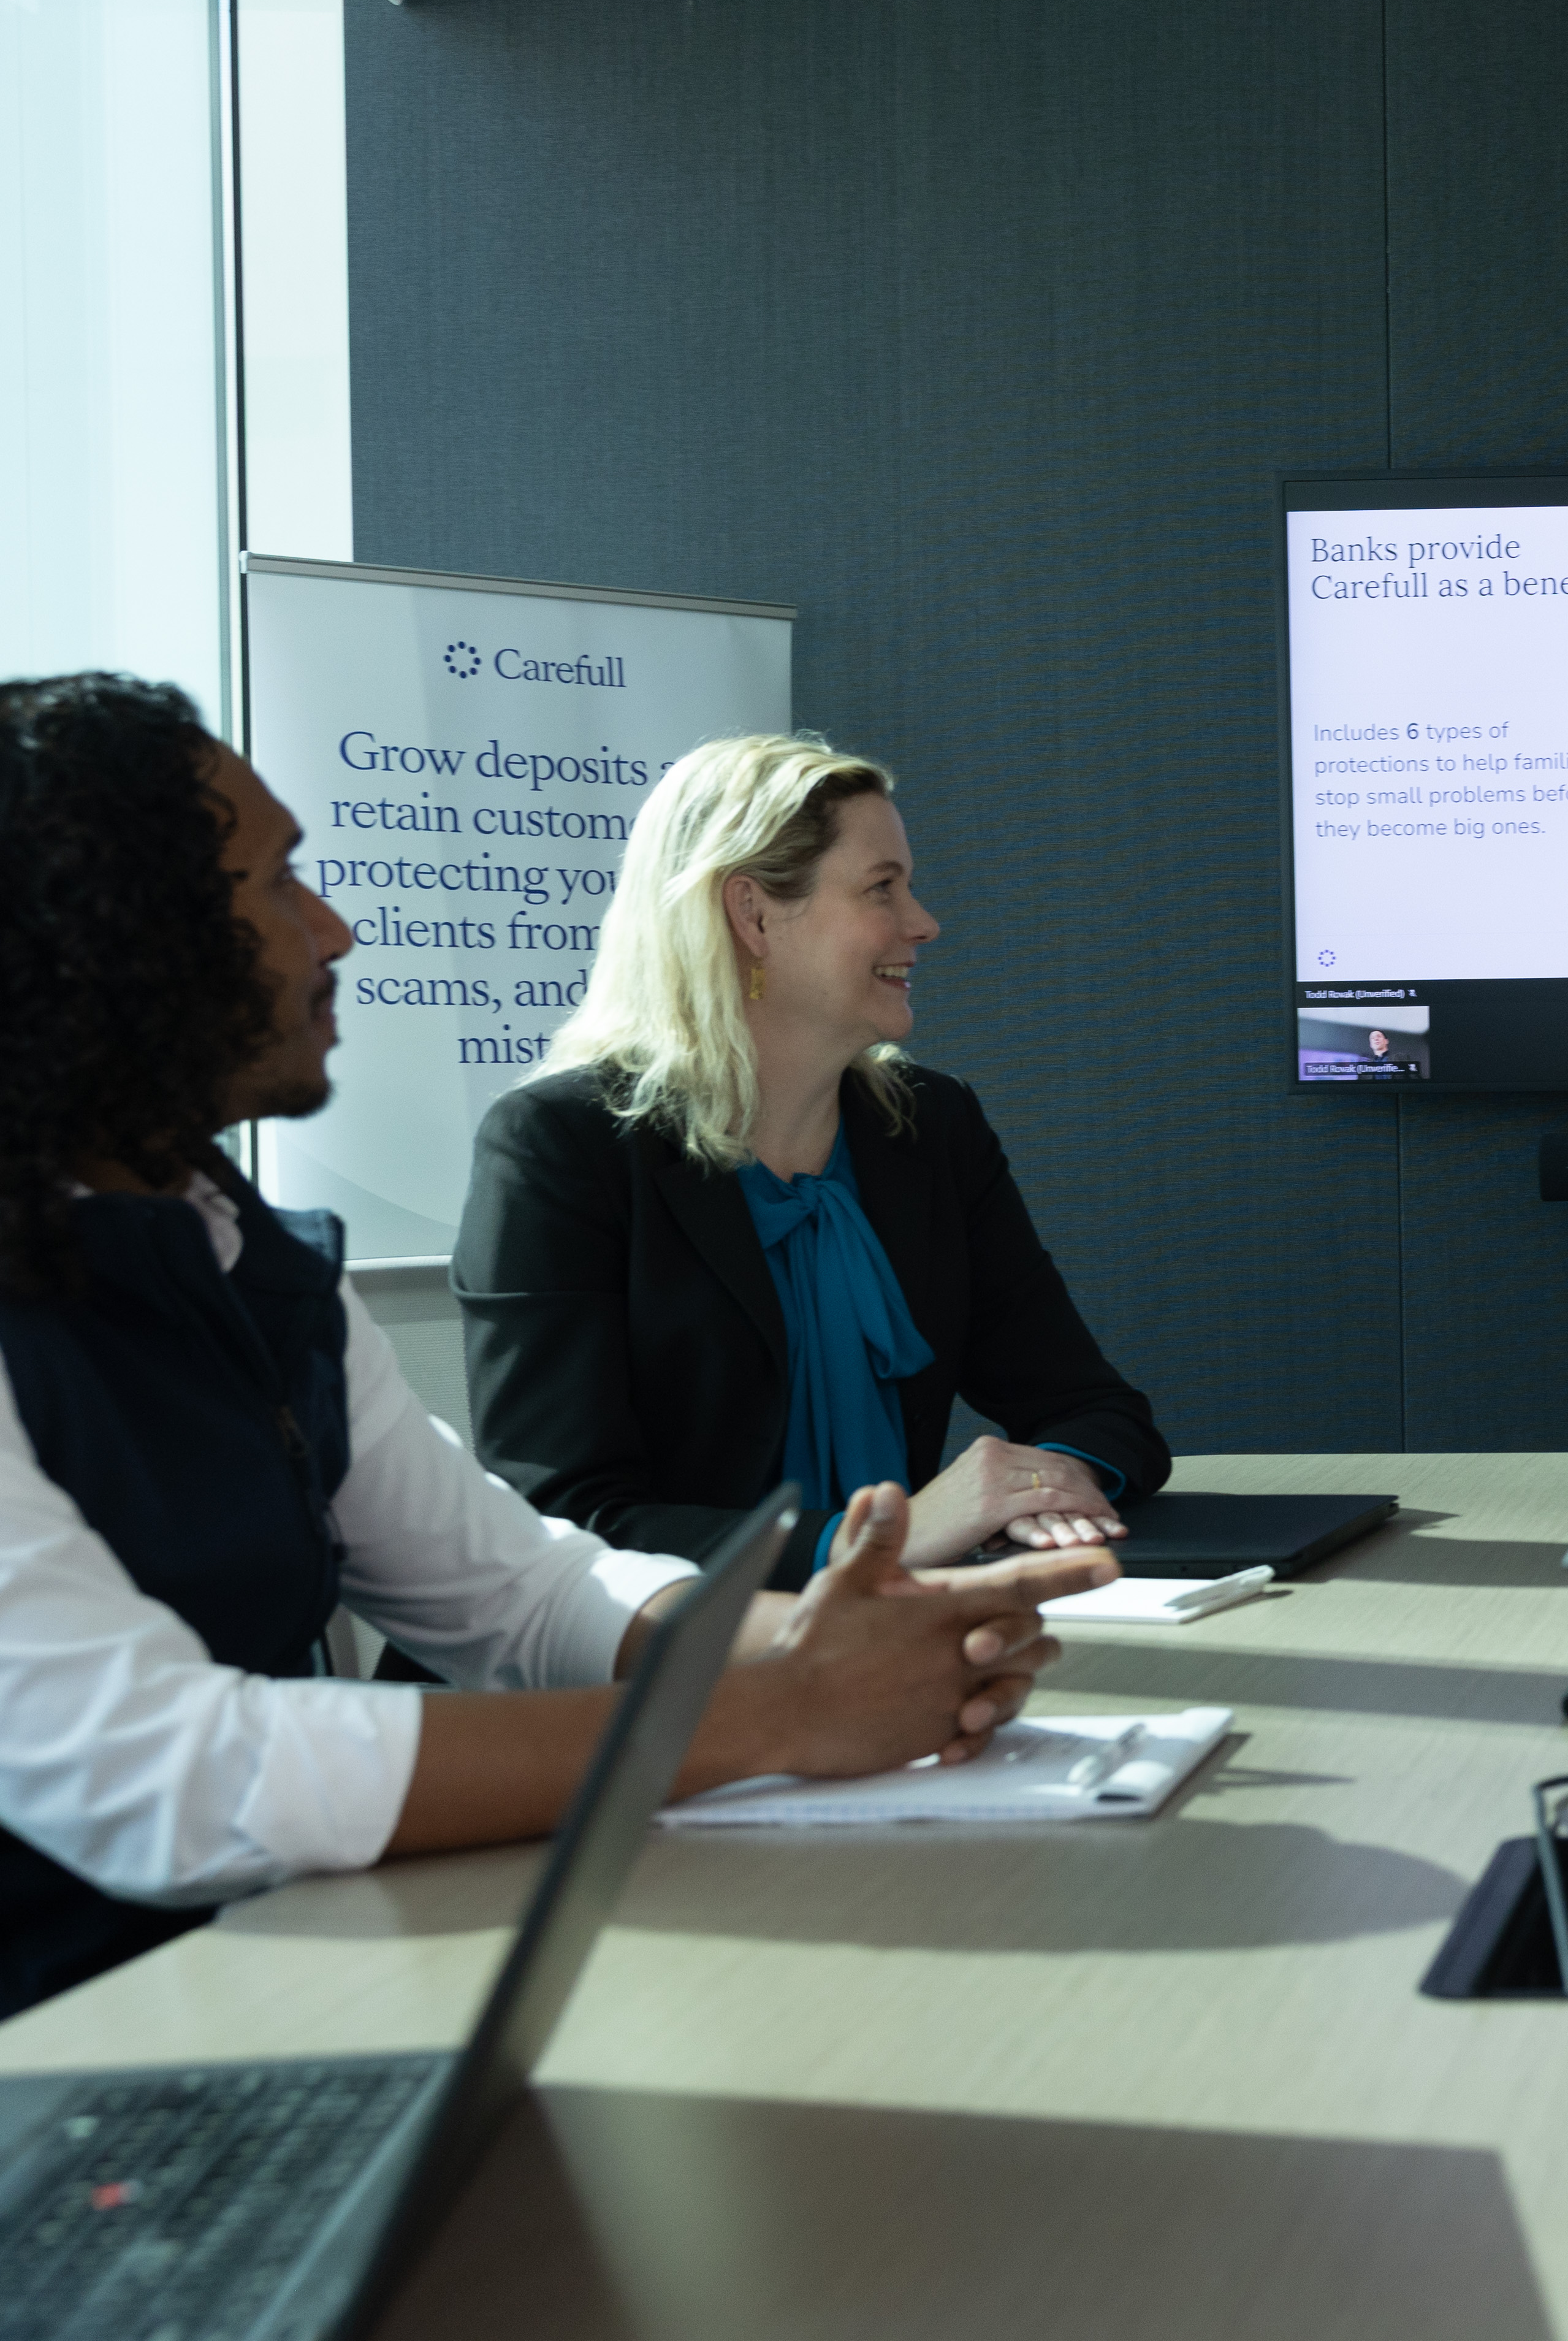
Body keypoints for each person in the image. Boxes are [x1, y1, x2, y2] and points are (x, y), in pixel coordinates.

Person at [0, 676, 1109, 2015]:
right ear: (105, 936)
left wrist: (842, 1641)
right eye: (282, 880)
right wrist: (778, 1709)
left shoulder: (248, 1255)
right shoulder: (542, 1147)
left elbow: (521, 1594)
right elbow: (170, 1775)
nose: (336, 928)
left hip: (273, 1978)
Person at [457, 735, 1171, 1591]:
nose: (923, 922)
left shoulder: (931, 1129)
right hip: (657, 1678)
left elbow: (1094, 1409)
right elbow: (568, 1519)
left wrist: (1043, 1483)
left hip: (892, 1642)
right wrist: (870, 1544)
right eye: (882, 888)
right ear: (752, 914)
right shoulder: (557, 1147)